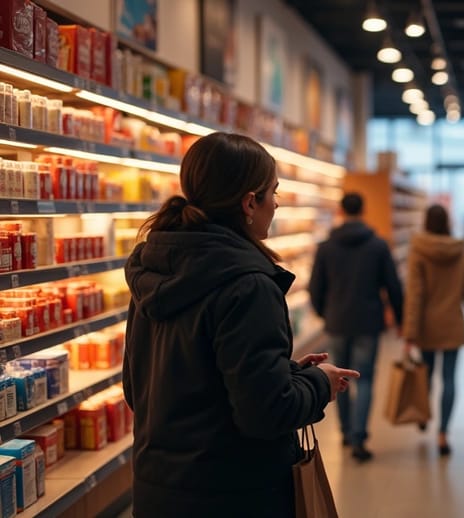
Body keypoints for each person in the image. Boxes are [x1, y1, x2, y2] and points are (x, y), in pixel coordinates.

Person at [123, 132, 359, 517]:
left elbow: (142, 389)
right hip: (232, 495)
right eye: (274, 193)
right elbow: (266, 414)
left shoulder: (152, 268)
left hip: (157, 492)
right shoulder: (248, 285)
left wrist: (286, 375)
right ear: (250, 202)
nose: (277, 204)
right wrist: (320, 383)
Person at [309, 192, 404, 462]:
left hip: (337, 321)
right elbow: (393, 286)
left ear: (341, 211)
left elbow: (316, 287)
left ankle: (346, 432)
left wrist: (324, 313)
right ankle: (360, 437)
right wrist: (399, 319)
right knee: (366, 379)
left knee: (338, 379)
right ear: (363, 210)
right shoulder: (377, 245)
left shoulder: (326, 247)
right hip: (368, 321)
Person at [403, 205, 464, 456]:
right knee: (449, 379)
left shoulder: (419, 252)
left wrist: (410, 333)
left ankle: (424, 413)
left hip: (427, 325)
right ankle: (443, 434)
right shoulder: (461, 253)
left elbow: (415, 295)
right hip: (452, 324)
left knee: (425, 375)